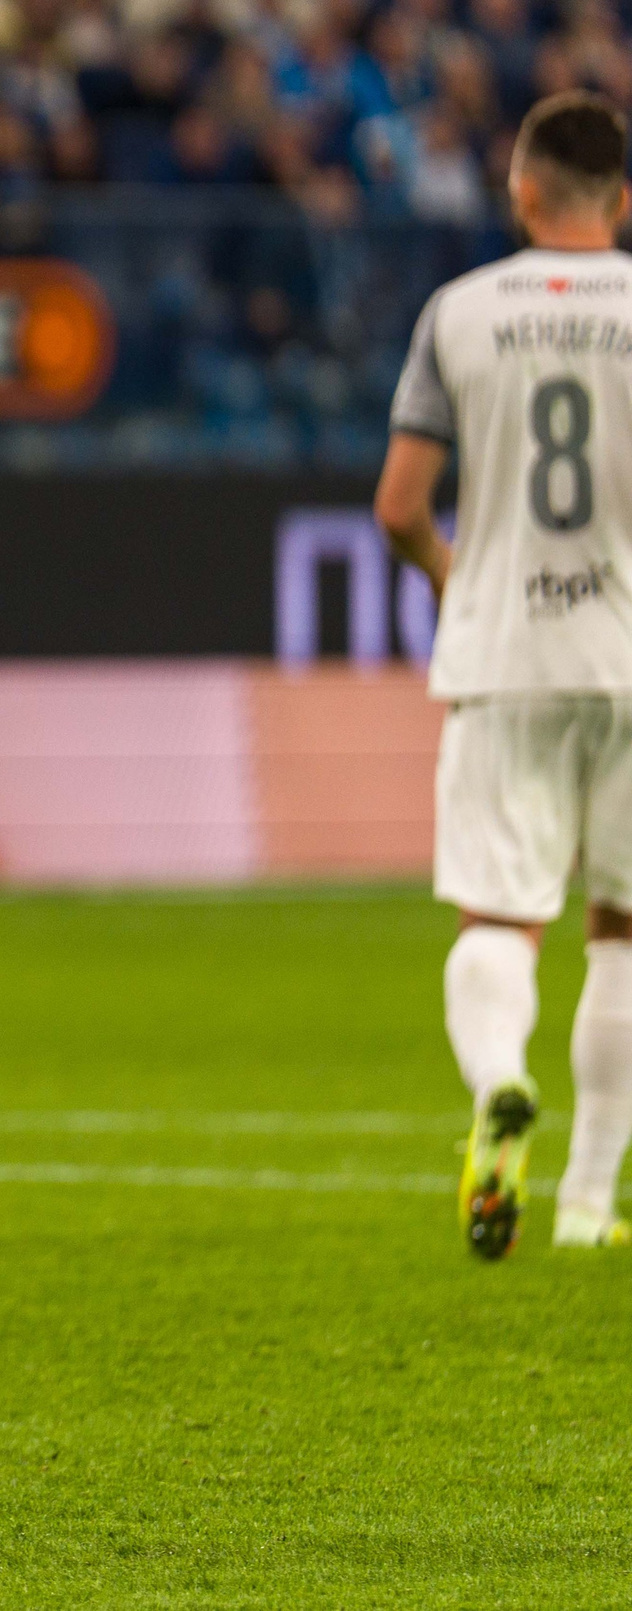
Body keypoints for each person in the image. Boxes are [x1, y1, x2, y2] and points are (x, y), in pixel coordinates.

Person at [377, 88, 632, 1259]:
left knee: (499, 919)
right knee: (622, 931)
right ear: (621, 200)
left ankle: (496, 1084)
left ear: (522, 192)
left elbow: (397, 507)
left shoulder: (458, 312)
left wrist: (449, 574)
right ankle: (585, 1205)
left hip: (504, 653)